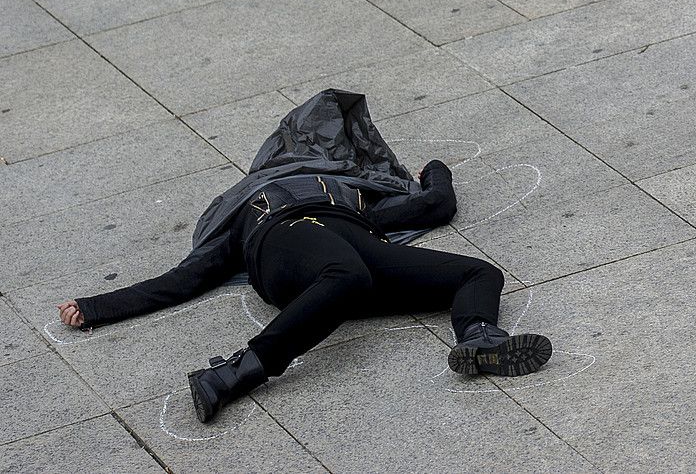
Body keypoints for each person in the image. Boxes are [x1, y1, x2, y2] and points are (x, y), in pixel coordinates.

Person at [54, 90, 552, 423]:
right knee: (348, 274)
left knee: (478, 272)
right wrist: (99, 306)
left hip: (355, 248)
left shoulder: (359, 194)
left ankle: (481, 339)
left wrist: (436, 171)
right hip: (285, 243)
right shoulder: (253, 199)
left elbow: (436, 206)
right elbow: (185, 278)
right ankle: (233, 372)